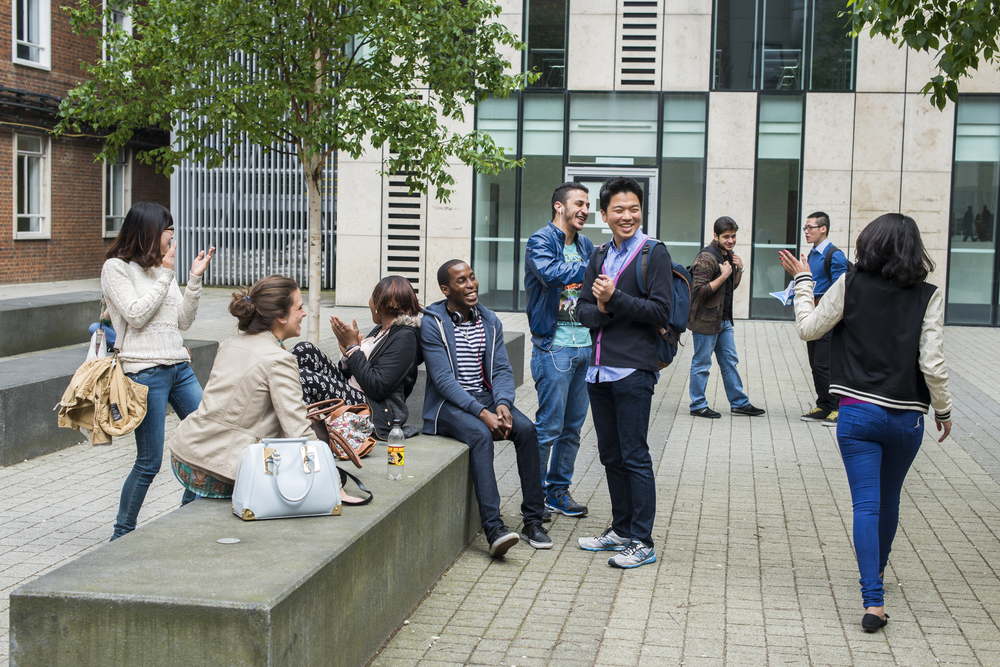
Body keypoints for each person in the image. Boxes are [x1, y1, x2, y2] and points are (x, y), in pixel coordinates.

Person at [779, 213, 953, 633]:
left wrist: (804, 283)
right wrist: (944, 410)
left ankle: (872, 600)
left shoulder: (850, 283)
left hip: (857, 414)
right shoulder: (927, 295)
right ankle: (876, 570)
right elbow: (932, 362)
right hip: (907, 418)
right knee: (889, 502)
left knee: (866, 505)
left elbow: (809, 328)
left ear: (869, 244)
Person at [167, 276, 361, 503]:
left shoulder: (230, 343)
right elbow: (298, 432)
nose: (304, 313)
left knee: (192, 512)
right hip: (217, 468)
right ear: (280, 316)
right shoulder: (279, 359)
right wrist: (333, 485)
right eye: (299, 307)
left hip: (186, 452)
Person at [421, 260, 551, 558]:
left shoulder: (490, 320)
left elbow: (503, 369)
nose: (470, 285)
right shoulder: (433, 322)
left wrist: (504, 404)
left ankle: (533, 520)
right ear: (446, 289)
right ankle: (494, 528)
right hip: (449, 404)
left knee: (528, 430)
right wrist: (483, 413)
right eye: (461, 281)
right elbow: (442, 380)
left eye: (472, 278)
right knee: (480, 435)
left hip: (489, 398)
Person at [101, 202, 215, 540]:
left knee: (208, 438)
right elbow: (135, 315)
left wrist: (193, 280)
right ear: (151, 231)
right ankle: (121, 535)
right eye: (168, 230)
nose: (173, 237)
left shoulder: (162, 271)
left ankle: (186, 514)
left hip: (180, 368)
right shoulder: (116, 268)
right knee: (149, 461)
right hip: (145, 372)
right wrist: (166, 274)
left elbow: (182, 320)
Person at [575, 176, 672, 569]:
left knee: (634, 455)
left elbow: (660, 312)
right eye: (618, 209)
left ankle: (642, 541)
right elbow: (581, 310)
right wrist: (600, 307)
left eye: (634, 208)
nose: (627, 216)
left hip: (633, 370)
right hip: (598, 372)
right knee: (610, 455)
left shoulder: (654, 253)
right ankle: (620, 528)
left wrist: (615, 298)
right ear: (604, 214)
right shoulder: (599, 255)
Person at [524, 182, 595, 519]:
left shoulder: (586, 245)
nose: (584, 210)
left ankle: (558, 492)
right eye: (578, 204)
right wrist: (594, 268)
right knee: (548, 428)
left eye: (587, 205)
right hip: (554, 348)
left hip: (586, 347)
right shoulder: (540, 241)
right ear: (559, 206)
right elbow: (550, 274)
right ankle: (534, 498)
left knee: (572, 429)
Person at [292, 275, 423, 439]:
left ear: (379, 304)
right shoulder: (380, 330)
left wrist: (353, 348)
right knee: (305, 350)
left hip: (374, 409)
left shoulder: (405, 337)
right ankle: (301, 418)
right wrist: (347, 356)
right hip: (353, 392)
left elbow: (376, 387)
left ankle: (300, 432)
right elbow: (354, 373)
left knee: (306, 378)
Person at [687, 216, 765, 419]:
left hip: (724, 320)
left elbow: (732, 286)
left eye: (733, 236)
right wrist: (722, 275)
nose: (731, 241)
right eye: (726, 237)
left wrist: (739, 269)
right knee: (702, 363)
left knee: (730, 361)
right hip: (705, 322)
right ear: (715, 236)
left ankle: (739, 403)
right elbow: (699, 291)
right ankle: (697, 404)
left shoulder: (729, 255)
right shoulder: (706, 257)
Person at [784, 212, 849, 427]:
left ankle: (837, 408)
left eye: (811, 227)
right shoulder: (812, 255)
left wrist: (817, 300)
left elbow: (840, 289)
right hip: (813, 315)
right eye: (805, 228)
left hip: (827, 317)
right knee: (815, 363)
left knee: (825, 363)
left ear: (824, 229)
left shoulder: (834, 255)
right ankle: (823, 405)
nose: (806, 232)